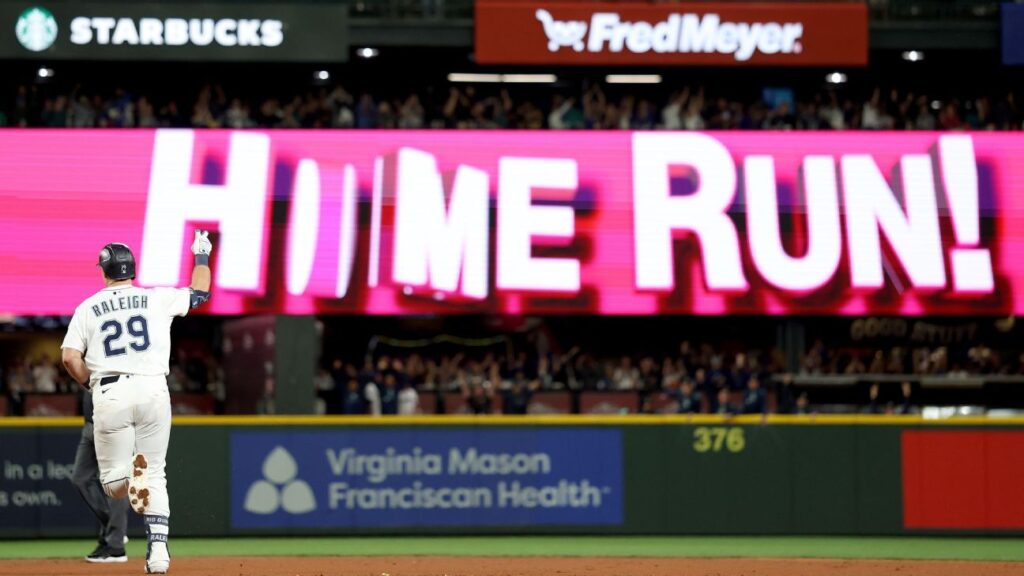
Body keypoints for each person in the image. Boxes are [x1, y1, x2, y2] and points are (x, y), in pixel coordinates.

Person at [61, 232, 213, 575]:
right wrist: (201, 254)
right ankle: (158, 554)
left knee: (114, 487)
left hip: (111, 392)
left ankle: (132, 476)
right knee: (155, 474)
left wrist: (91, 382)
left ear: (104, 270)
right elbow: (200, 292)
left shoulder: (88, 307)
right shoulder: (156, 299)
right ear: (132, 270)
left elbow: (70, 358)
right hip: (154, 390)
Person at [71, 386, 130, 563]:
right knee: (80, 479)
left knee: (115, 483)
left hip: (114, 425)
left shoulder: (123, 362)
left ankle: (115, 546)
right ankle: (113, 527)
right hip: (90, 425)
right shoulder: (90, 360)